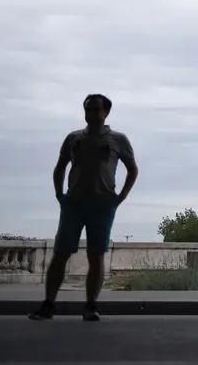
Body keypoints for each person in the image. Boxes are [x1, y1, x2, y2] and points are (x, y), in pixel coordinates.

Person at [29, 94, 139, 322]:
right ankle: (48, 304)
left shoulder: (118, 140)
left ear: (106, 112)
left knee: (96, 255)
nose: (91, 113)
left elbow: (132, 169)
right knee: (60, 253)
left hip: (103, 204)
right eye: (88, 109)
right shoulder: (73, 138)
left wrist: (121, 196)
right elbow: (60, 167)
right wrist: (60, 194)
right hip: (74, 203)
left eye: (96, 109)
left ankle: (91, 306)